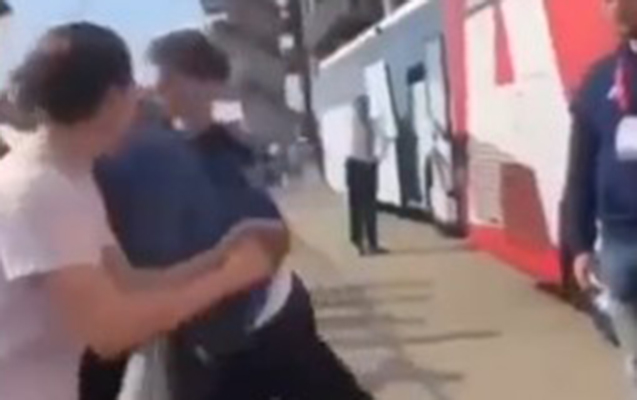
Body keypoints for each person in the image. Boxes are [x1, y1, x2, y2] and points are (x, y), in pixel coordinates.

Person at [0, 22, 284, 400]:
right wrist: (230, 277)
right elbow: (110, 331)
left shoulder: (70, 175)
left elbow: (128, 282)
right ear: (113, 99)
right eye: (132, 88)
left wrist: (221, 255)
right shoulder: (41, 190)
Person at [149, 29, 373, 400]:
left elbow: (259, 236)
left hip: (263, 317)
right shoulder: (169, 154)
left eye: (170, 76)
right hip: (239, 324)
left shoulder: (225, 153)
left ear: (206, 83)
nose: (159, 86)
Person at [567, 0, 637, 396]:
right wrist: (579, 244)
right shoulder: (598, 81)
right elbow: (580, 170)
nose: (616, 11)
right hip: (621, 245)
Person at [346, 95, 388, 256]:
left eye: (365, 106)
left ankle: (368, 243)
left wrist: (377, 158)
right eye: (362, 106)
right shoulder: (360, 124)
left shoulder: (370, 123)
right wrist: (377, 158)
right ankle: (362, 243)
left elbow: (382, 140)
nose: (364, 109)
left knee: (365, 208)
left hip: (362, 166)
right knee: (361, 208)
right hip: (359, 166)